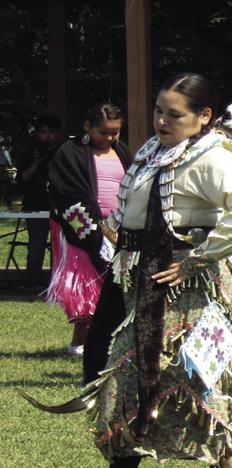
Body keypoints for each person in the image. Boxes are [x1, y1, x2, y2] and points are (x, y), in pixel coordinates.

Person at [69, 73, 232, 468]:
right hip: (144, 280)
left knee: (158, 376)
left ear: (203, 117)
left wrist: (199, 256)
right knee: (177, 378)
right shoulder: (153, 151)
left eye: (173, 114)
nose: (162, 119)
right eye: (159, 110)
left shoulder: (211, 156)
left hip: (184, 288)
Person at [45, 102, 130, 371]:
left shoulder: (123, 152)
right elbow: (65, 192)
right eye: (104, 132)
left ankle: (111, 338)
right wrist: (94, 229)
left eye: (115, 132)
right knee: (86, 286)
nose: (110, 138)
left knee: (115, 287)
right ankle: (79, 342)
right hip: (83, 230)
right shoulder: (69, 154)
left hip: (118, 228)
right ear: (88, 127)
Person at [18, 115, 64, 287]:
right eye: (43, 132)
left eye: (51, 132)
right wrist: (36, 162)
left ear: (57, 134)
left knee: (58, 246)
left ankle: (57, 281)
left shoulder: (64, 152)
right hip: (35, 206)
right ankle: (32, 281)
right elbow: (22, 178)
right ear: (38, 133)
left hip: (57, 207)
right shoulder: (30, 151)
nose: (47, 136)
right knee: (36, 247)